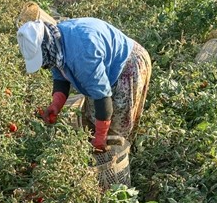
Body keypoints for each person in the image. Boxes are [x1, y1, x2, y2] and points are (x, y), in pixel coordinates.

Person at [17, 17, 151, 153]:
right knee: (92, 120)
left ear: (45, 46)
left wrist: (101, 136)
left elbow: (102, 97)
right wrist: (56, 104)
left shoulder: (82, 54)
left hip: (128, 63)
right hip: (99, 61)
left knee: (116, 130)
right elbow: (60, 75)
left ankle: (120, 158)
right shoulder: (54, 44)